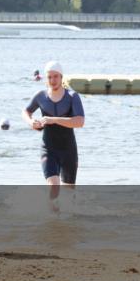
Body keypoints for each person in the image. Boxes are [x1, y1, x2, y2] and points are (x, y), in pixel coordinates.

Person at [22, 61, 84, 212]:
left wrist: (54, 119)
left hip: (68, 150)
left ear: (61, 77)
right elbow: (25, 111)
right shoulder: (41, 96)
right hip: (48, 148)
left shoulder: (72, 96)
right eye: (49, 77)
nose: (53, 80)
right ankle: (52, 219)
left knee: (69, 194)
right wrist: (31, 122)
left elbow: (80, 121)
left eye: (56, 76)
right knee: (54, 186)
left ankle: (67, 218)